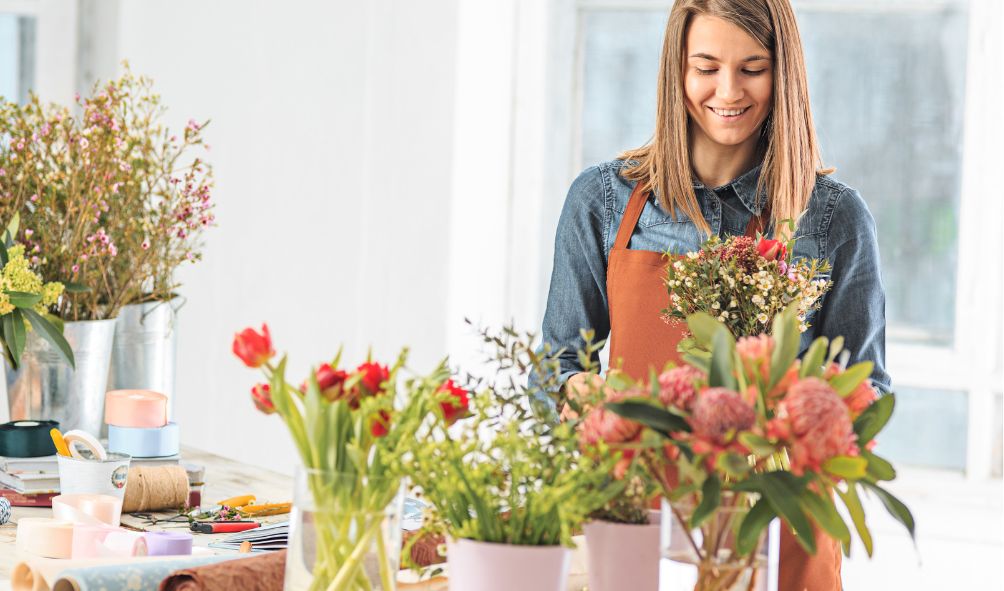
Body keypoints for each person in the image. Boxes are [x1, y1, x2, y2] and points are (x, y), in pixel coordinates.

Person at [537, 0, 890, 589]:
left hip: (780, 534)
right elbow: (557, 364)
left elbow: (869, 392)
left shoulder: (832, 218)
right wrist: (583, 397)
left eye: (753, 68)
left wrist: (789, 430)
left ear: (785, 73)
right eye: (706, 67)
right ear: (676, 70)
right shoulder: (602, 201)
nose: (728, 90)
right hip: (635, 524)